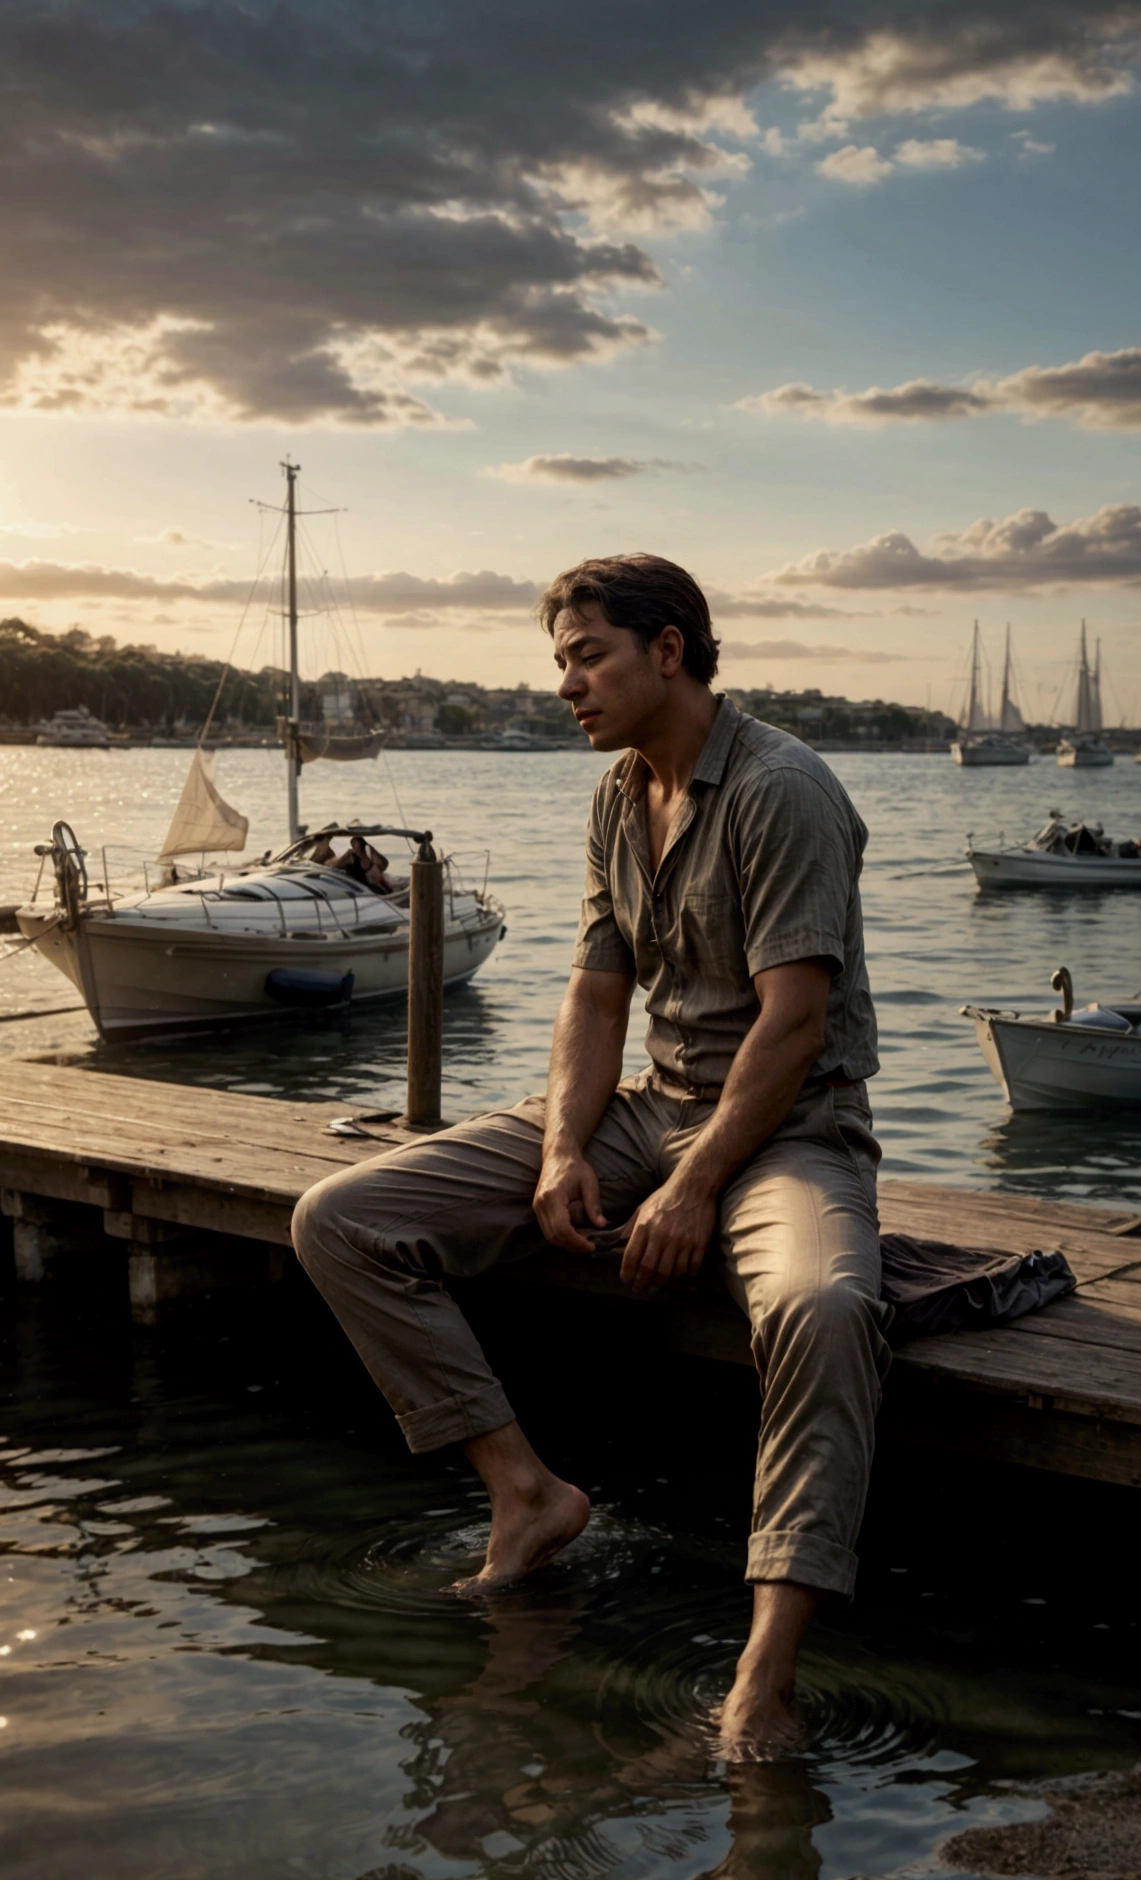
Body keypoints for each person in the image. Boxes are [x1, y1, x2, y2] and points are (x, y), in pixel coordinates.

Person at [292, 552, 886, 1759]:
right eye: (559, 658)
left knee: (823, 1309)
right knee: (341, 1217)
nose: (567, 682)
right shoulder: (620, 793)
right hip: (645, 1106)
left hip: (789, 1127)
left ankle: (763, 1673)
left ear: (668, 649)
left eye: (588, 654)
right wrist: (565, 1144)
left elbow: (795, 1024)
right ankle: (526, 1490)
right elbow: (595, 989)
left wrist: (694, 1183)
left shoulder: (786, 788)